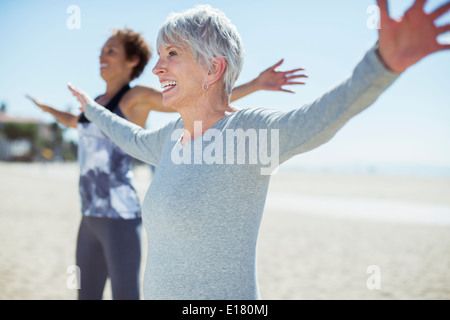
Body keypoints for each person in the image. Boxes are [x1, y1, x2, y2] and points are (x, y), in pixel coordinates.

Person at [68, 1, 450, 299]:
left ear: (212, 69)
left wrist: (382, 65)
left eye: (172, 54)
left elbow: (321, 117)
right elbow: (128, 136)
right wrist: (91, 107)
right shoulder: (171, 138)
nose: (158, 68)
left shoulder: (248, 133)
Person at [27, 28, 306, 300]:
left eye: (111, 51)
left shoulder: (135, 97)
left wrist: (255, 84)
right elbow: (73, 121)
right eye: (102, 51)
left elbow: (197, 95)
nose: (103, 55)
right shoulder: (96, 103)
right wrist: (46, 108)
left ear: (132, 61)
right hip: (89, 211)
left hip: (120, 213)